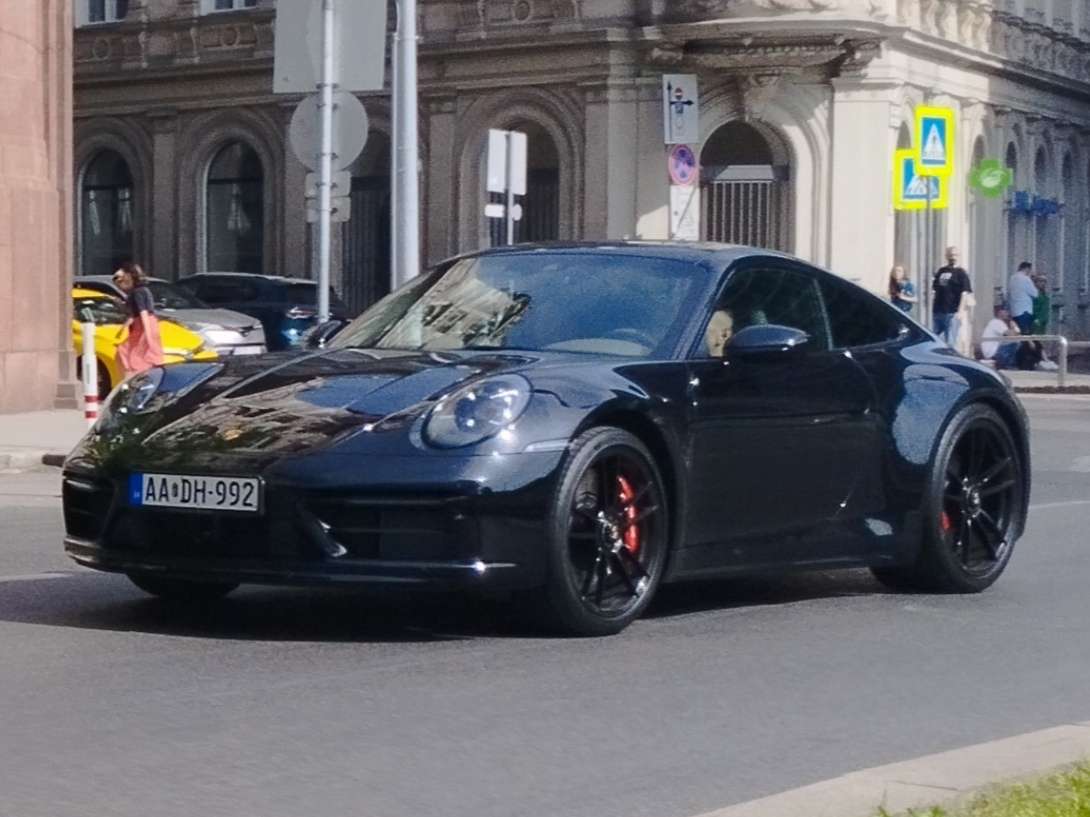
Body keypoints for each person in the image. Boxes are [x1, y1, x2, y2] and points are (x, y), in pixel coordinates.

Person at [114, 261, 164, 376]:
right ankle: (136, 376)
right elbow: (134, 314)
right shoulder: (141, 290)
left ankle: (133, 378)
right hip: (145, 324)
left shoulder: (138, 292)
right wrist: (123, 328)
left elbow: (143, 312)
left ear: (129, 275)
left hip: (143, 324)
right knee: (134, 353)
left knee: (131, 353)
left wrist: (147, 333)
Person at [931, 246, 972, 345]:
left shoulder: (961, 273)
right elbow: (934, 289)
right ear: (946, 256)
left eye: (955, 255)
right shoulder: (941, 271)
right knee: (934, 339)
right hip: (938, 311)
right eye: (950, 255)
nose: (952, 257)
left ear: (959, 256)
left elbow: (965, 292)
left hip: (952, 312)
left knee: (950, 340)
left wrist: (960, 311)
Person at [981, 305, 1019, 369]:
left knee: (1014, 342)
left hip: (992, 352)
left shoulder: (997, 322)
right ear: (999, 313)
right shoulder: (997, 322)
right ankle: (1008, 365)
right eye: (1006, 311)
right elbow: (1012, 334)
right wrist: (1014, 326)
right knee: (1015, 343)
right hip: (992, 353)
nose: (1008, 313)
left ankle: (1008, 364)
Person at [1008, 262, 1038, 335]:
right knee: (1025, 333)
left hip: (1014, 311)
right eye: (1030, 270)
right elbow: (1035, 294)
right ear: (1027, 269)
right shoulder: (1026, 279)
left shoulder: (1012, 278)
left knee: (1017, 333)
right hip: (1025, 310)